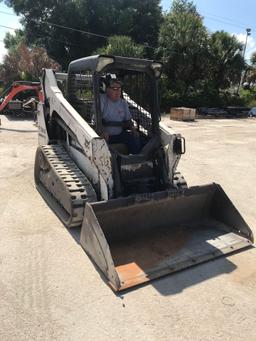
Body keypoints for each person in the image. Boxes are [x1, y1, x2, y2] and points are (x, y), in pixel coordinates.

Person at [100, 77, 141, 154]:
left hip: (119, 134)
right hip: (105, 135)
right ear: (108, 90)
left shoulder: (123, 103)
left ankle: (135, 160)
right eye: (115, 89)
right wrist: (103, 130)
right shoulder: (102, 100)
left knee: (135, 138)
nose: (118, 91)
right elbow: (96, 118)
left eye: (119, 89)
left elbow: (128, 119)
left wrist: (132, 128)